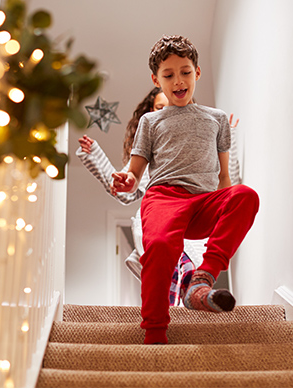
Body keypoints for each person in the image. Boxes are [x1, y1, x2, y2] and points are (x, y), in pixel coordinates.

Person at [111, 35, 259, 345]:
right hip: (164, 198)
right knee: (162, 246)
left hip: (204, 201)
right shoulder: (151, 122)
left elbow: (223, 177)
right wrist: (127, 179)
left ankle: (201, 281)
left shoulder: (217, 120)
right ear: (156, 79)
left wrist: (228, 204)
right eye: (168, 75)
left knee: (246, 196)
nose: (178, 81)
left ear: (197, 72)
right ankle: (154, 330)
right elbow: (135, 172)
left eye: (185, 72)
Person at [77, 87, 196, 306]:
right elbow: (125, 190)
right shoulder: (148, 156)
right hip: (159, 225)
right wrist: (95, 155)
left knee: (188, 270)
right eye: (160, 108)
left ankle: (180, 307)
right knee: (172, 270)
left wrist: (227, 140)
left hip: (190, 225)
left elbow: (225, 179)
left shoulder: (198, 147)